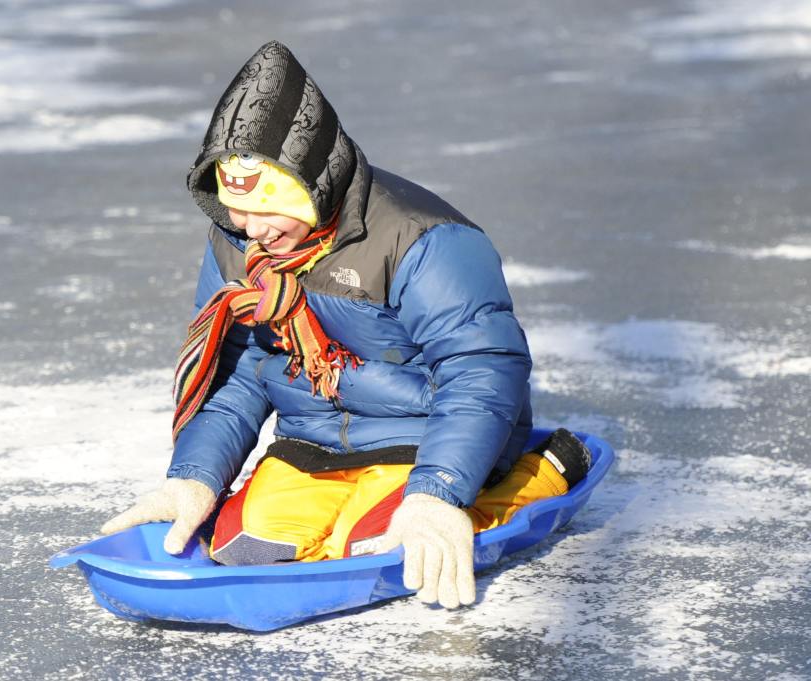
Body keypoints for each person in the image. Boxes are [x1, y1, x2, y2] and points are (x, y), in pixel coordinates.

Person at [101, 41, 590, 609]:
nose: (248, 228)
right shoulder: (239, 243)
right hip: (312, 446)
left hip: (424, 437)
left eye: (266, 206)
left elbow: (480, 371)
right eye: (235, 207)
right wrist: (193, 477)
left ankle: (544, 468)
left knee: (377, 545)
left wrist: (438, 495)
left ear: (311, 181)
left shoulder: (422, 240)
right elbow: (235, 371)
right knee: (244, 546)